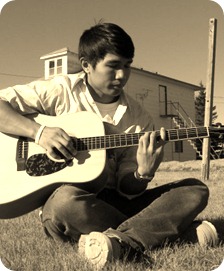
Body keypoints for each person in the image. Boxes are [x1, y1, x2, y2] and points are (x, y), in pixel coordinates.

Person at [0, 22, 218, 269]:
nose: (122, 75)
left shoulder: (139, 118)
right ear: (86, 65)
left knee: (194, 189)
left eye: (127, 66)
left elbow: (128, 188)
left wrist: (142, 174)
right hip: (75, 204)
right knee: (63, 202)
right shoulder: (60, 90)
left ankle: (118, 242)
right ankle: (167, 233)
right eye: (113, 66)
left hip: (115, 203)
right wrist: (39, 132)